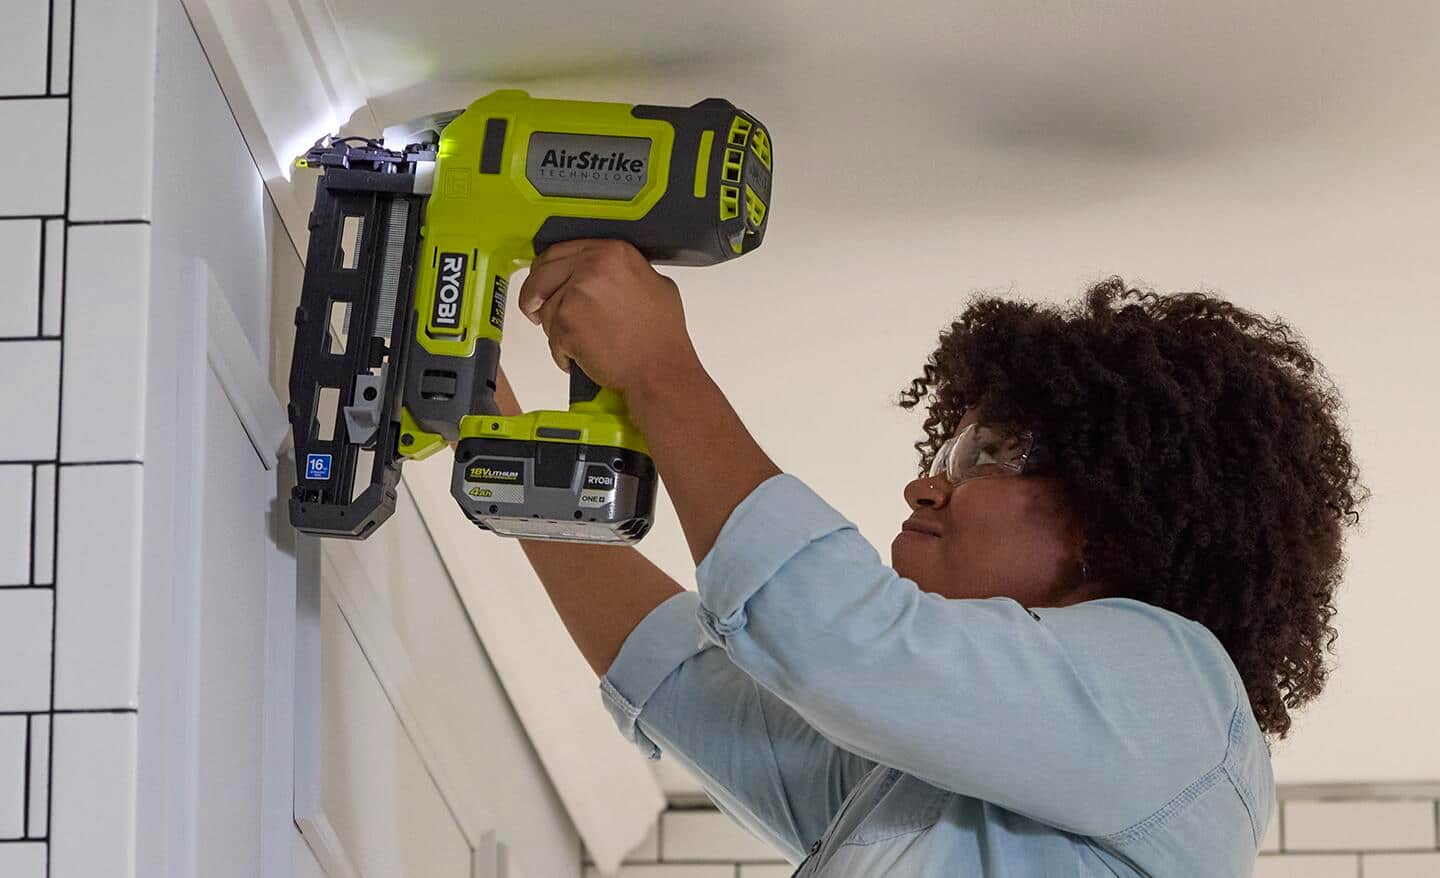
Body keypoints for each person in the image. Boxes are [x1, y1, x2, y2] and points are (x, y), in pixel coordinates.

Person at [503, 239, 1368, 876]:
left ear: (1113, 522)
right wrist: (489, 425)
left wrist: (660, 367)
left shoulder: (1177, 694)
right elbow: (691, 687)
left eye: (988, 456)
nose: (925, 487)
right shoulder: (940, 777)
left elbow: (829, 633)